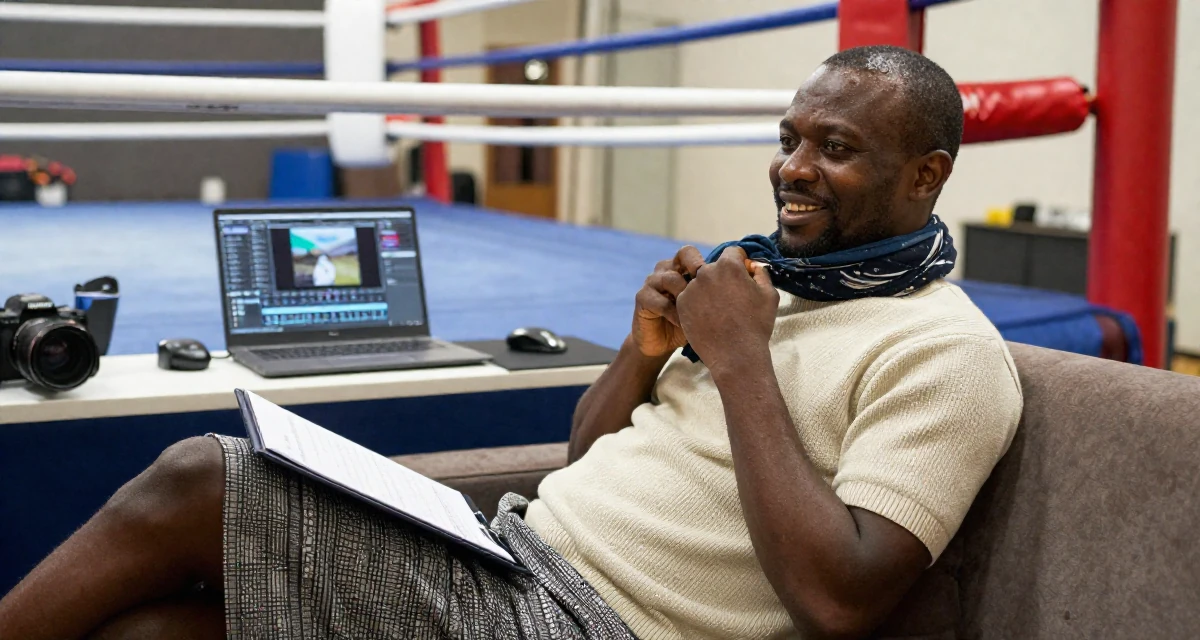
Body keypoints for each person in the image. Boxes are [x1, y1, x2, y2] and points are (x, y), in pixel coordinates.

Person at [0, 45, 1022, 640]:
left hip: (589, 622)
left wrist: (744, 362)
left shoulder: (946, 355)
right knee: (159, 631)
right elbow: (587, 455)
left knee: (197, 479)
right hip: (513, 553)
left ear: (927, 175)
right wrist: (646, 348)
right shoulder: (771, 284)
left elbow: (839, 598)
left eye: (834, 149)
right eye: (791, 138)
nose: (793, 169)